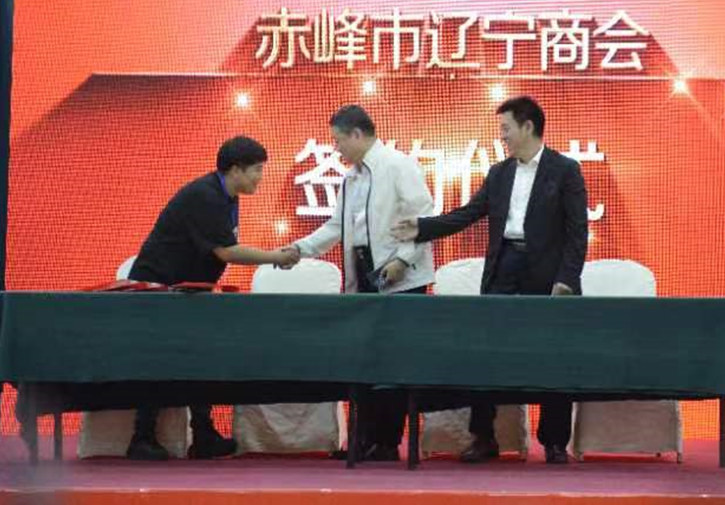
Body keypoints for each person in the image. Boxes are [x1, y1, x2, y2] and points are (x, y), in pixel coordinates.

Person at [392, 96, 588, 464]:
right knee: (485, 353)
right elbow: (468, 213)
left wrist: (567, 279)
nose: (502, 136)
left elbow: (577, 232)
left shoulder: (565, 170)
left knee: (553, 356)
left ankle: (555, 441)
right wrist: (423, 227)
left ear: (528, 126)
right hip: (504, 267)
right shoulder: (500, 173)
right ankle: (484, 437)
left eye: (506, 128)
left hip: (547, 273)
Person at [126, 136, 299, 461]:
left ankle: (203, 435)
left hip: (189, 291)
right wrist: (275, 256)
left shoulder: (227, 196)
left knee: (200, 358)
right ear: (235, 170)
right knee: (159, 361)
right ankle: (142, 437)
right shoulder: (205, 196)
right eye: (257, 170)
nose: (260, 177)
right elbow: (226, 252)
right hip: (158, 290)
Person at [287, 105, 435, 461]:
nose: (336, 148)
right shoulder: (350, 178)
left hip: (402, 278)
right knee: (364, 359)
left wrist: (403, 259)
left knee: (394, 361)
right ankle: (363, 438)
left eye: (338, 140)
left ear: (357, 134)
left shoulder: (398, 165)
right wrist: (298, 249)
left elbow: (424, 217)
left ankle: (387, 442)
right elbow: (336, 227)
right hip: (366, 274)